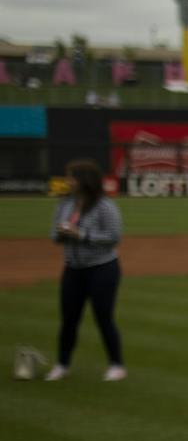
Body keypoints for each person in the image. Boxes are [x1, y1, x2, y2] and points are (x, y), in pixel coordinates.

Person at [45, 159, 125, 382]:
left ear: (83, 180)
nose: (67, 181)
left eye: (71, 177)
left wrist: (81, 235)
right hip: (72, 269)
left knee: (103, 317)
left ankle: (116, 365)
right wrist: (62, 233)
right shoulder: (64, 204)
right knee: (69, 319)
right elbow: (53, 236)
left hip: (102, 268)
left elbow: (114, 237)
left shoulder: (104, 206)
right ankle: (62, 364)